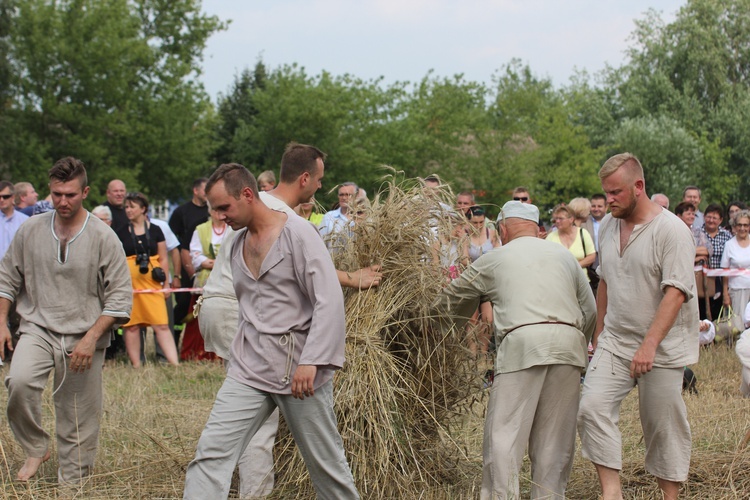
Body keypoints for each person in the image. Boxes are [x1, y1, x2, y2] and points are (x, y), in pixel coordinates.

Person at [183, 164, 359, 499]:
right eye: (214, 210)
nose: (219, 218)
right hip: (251, 367)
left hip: (301, 371)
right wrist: (239, 357)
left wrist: (313, 360)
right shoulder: (236, 244)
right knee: (211, 454)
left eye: (224, 208)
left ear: (247, 194)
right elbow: (249, 310)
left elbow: (328, 300)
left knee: (327, 466)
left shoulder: (299, 234)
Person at [438, 200, 596, 499]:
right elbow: (589, 310)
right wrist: (576, 349)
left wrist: (424, 325)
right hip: (569, 346)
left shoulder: (494, 258)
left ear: (502, 228)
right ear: (537, 229)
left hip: (521, 346)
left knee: (504, 438)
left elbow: (450, 302)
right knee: (554, 443)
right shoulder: (565, 257)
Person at [0, 157, 132, 484]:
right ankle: (35, 446)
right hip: (37, 327)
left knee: (77, 415)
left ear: (85, 192)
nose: (63, 201)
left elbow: (119, 298)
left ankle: (72, 484)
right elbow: (6, 278)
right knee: (19, 382)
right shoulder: (30, 229)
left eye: (70, 194)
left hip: (85, 332)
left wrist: (91, 338)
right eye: (57, 193)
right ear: (50, 191)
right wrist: (2, 321)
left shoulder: (103, 237)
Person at [577, 153, 699, 500]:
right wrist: (600, 332)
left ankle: (670, 497)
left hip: (661, 346)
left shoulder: (672, 230)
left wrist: (649, 345)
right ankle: (611, 493)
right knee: (591, 408)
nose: (608, 200)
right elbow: (604, 281)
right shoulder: (609, 226)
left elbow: (676, 293)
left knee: (662, 426)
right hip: (616, 339)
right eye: (605, 193)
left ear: (638, 187)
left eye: (615, 192)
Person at [115, 192, 178, 367]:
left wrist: (166, 284)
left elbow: (164, 258)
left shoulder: (156, 230)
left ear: (143, 209)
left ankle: (174, 363)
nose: (128, 210)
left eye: (132, 207)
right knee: (132, 326)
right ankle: (136, 364)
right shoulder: (120, 231)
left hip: (152, 284)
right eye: (126, 207)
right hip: (130, 285)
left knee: (161, 324)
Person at [180, 208, 227, 361]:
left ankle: (221, 354)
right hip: (205, 278)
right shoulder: (200, 230)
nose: (219, 213)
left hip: (227, 277)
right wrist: (210, 263)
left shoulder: (233, 228)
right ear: (210, 210)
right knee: (200, 317)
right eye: (215, 209)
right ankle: (196, 353)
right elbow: (195, 254)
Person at [169, 178, 209, 328]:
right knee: (183, 303)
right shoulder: (181, 212)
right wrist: (177, 274)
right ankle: (174, 334)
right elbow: (172, 243)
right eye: (206, 190)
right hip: (187, 266)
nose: (208, 194)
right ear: (195, 190)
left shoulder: (212, 212)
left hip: (207, 266)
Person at [465, 205, 500, 356]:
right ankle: (472, 355)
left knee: (488, 319)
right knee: (472, 321)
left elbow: (498, 253)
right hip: (472, 281)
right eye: (474, 223)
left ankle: (483, 354)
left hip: (487, 281)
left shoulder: (491, 234)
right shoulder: (464, 236)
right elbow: (464, 257)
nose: (478, 226)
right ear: (468, 222)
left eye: (481, 222)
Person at [700, 203, 732, 320]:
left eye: (715, 218)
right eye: (709, 217)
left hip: (720, 281)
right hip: (700, 280)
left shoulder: (727, 236)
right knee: (701, 313)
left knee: (717, 314)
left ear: (721, 220)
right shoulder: (696, 233)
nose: (711, 220)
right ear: (704, 216)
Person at [546, 205, 596, 277]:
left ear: (571, 219)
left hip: (581, 278)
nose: (557, 221)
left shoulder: (583, 233)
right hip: (559, 278)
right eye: (555, 219)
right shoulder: (551, 237)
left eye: (561, 219)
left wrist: (575, 266)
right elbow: (548, 259)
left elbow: (592, 256)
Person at [721, 210, 750, 335]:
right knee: (739, 323)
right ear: (735, 226)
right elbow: (724, 271)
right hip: (737, 289)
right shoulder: (729, 245)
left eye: (746, 225)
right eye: (740, 225)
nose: (742, 228)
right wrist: (725, 294)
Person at [319, 181, 359, 246]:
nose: (344, 198)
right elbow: (321, 242)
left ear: (356, 196)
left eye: (348, 195)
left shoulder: (362, 217)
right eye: (341, 195)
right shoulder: (329, 217)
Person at [0, 181, 29, 260]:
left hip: (16, 269)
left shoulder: (25, 220)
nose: (1, 200)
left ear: (13, 197)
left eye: (5, 197)